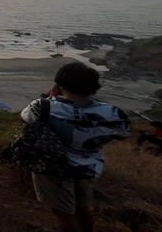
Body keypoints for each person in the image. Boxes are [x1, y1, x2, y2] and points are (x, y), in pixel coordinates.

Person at [20, 62, 130, 232]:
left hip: (54, 168)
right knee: (83, 207)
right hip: (89, 167)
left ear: (60, 84)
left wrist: (52, 95)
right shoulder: (113, 113)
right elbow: (123, 134)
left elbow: (26, 117)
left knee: (63, 213)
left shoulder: (44, 107)